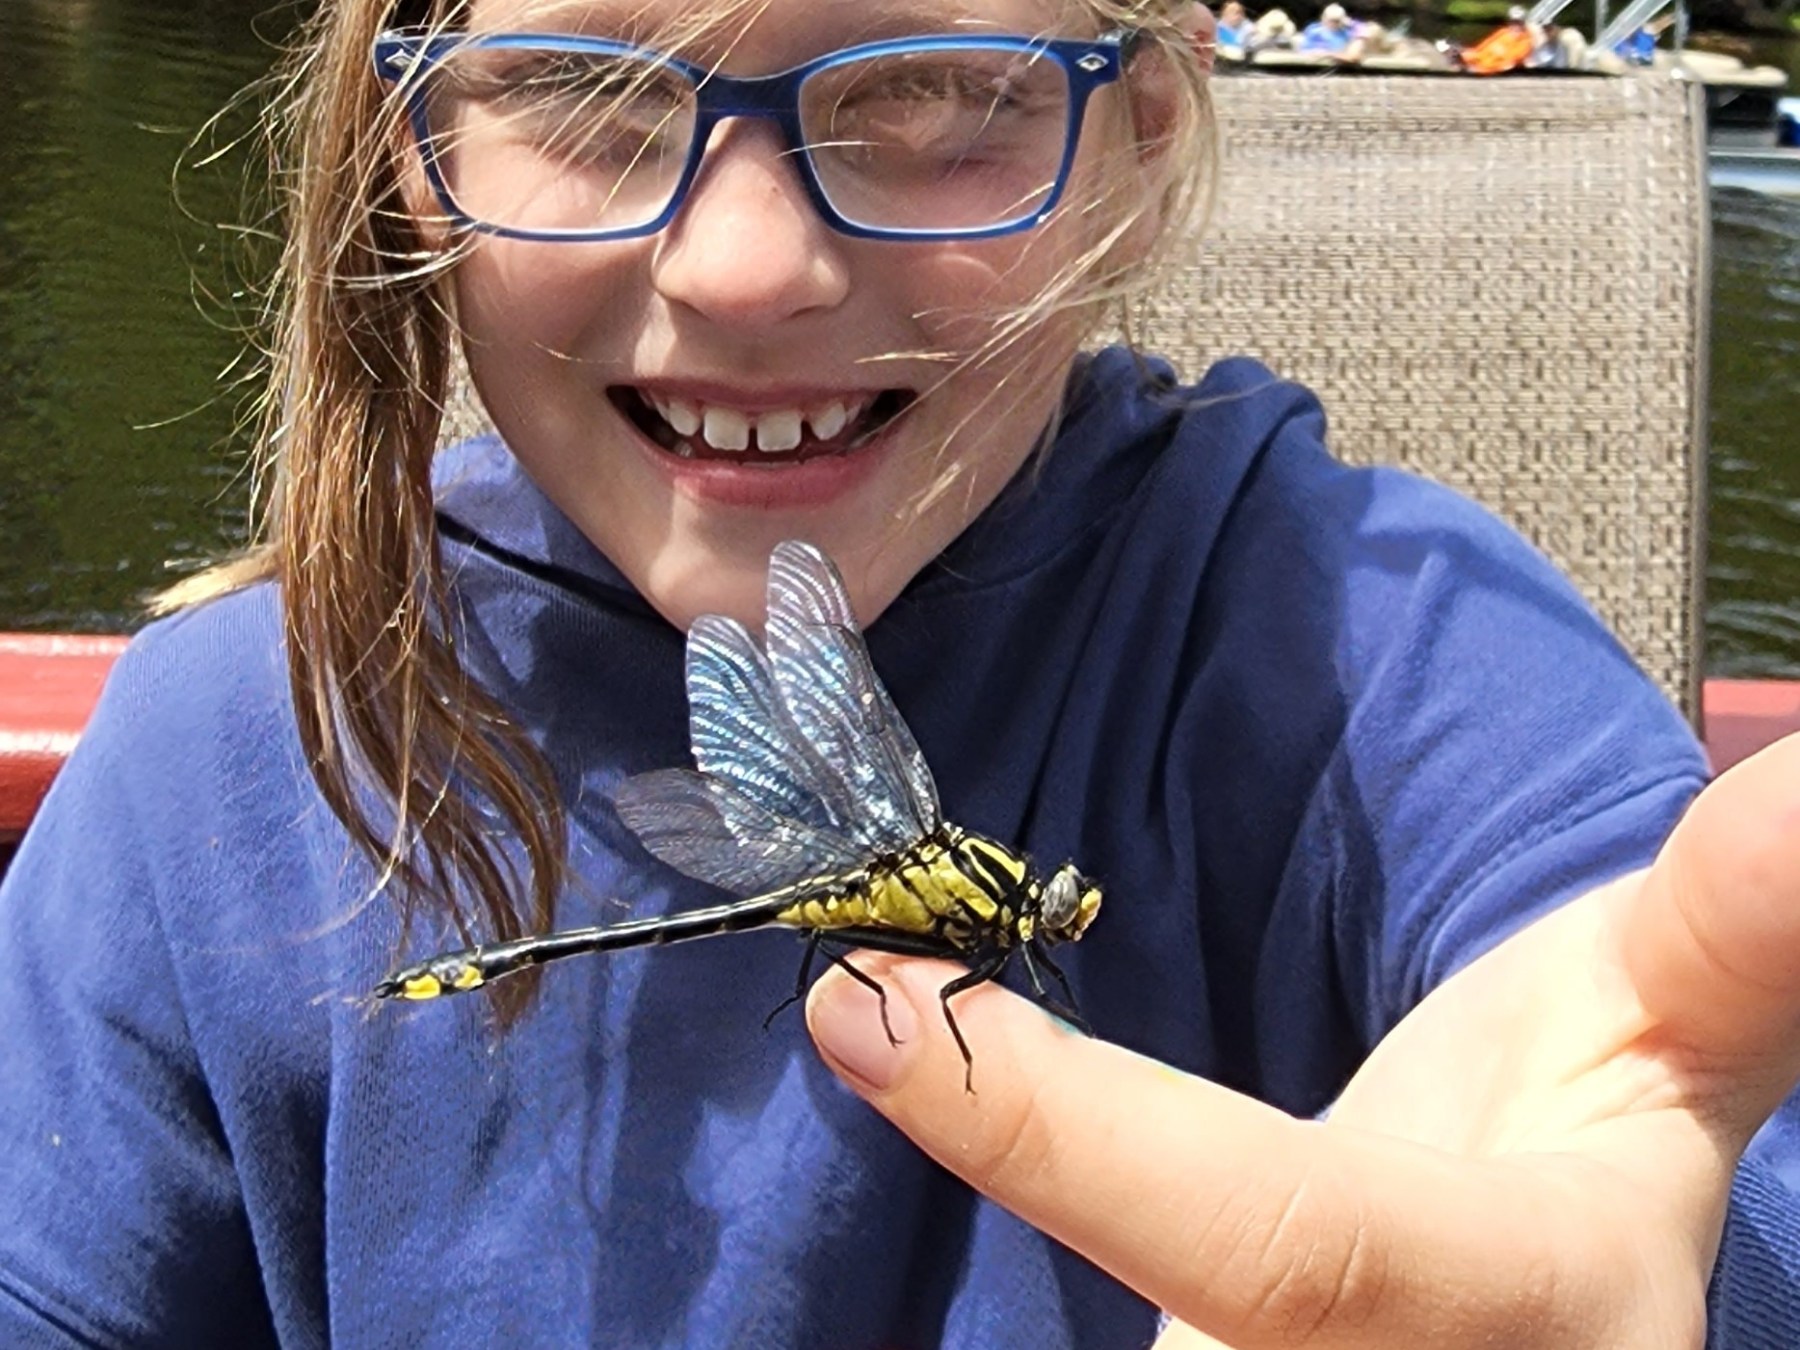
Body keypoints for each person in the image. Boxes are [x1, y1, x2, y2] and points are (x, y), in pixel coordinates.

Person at [2, 0, 1799, 1346]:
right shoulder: (220, 755)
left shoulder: (1372, 640)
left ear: (1141, 140)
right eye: (585, 93)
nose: (748, 267)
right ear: (415, 143)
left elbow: (1632, 1058)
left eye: (933, 96)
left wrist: (1703, 1237)